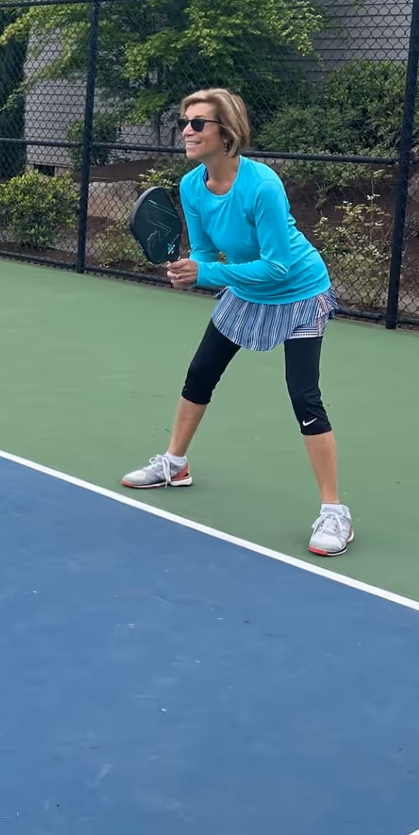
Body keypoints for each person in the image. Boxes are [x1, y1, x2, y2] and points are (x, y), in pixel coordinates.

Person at [121, 87, 353, 558]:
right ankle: (175, 463)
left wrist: (207, 272)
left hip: (299, 292)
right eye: (184, 122)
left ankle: (334, 512)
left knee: (304, 396)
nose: (186, 130)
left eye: (197, 123)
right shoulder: (191, 187)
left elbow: (279, 266)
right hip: (246, 291)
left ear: (227, 134)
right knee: (200, 373)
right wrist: (192, 273)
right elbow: (206, 254)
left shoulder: (262, 186)